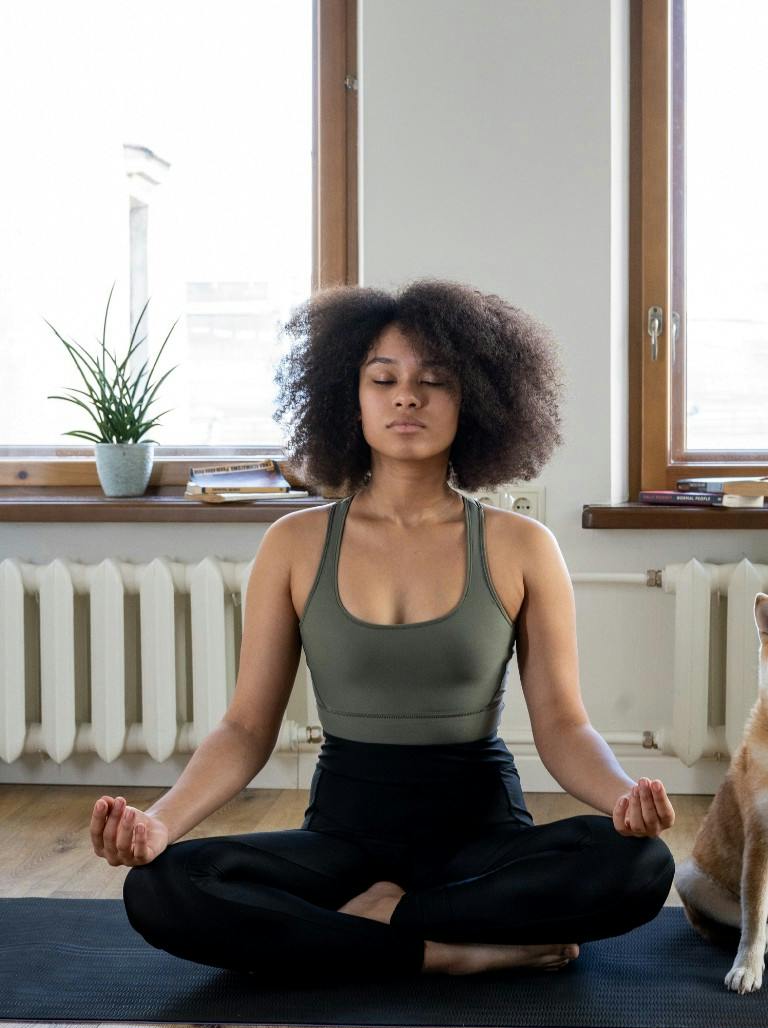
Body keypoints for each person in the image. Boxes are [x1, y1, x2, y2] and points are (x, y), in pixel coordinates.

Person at [91, 278, 676, 981]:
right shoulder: (294, 543)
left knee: (641, 865)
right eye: (383, 379)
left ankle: (378, 925)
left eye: (434, 381)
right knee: (161, 887)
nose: (407, 397)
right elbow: (247, 728)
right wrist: (159, 824)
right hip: (343, 836)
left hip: (480, 835)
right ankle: (443, 949)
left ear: (477, 402)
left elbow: (561, 725)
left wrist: (621, 800)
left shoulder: (522, 546)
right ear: (350, 396)